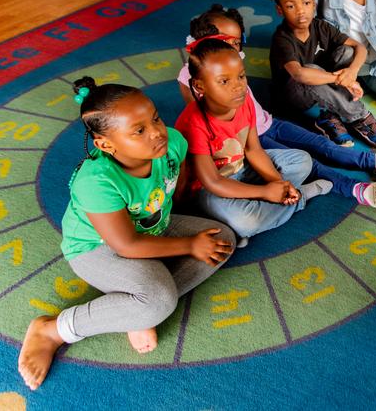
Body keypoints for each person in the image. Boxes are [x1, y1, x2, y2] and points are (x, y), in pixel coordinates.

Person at [18, 77, 236, 390]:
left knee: (221, 240)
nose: (157, 132)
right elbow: (126, 244)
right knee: (158, 300)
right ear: (106, 145)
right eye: (139, 130)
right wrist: (189, 244)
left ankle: (134, 311)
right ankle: (53, 330)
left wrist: (193, 239)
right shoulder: (96, 181)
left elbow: (180, 185)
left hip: (153, 225)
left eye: (156, 118)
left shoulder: (171, 143)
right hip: (97, 247)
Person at [178, 4, 376, 208]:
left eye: (237, 42)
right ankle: (354, 189)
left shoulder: (232, 65)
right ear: (202, 45)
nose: (233, 49)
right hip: (249, 139)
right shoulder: (191, 78)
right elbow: (208, 123)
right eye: (223, 41)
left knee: (320, 143)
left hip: (267, 122)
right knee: (310, 163)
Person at [176, 37, 331, 243]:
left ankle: (264, 206)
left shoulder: (244, 100)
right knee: (246, 221)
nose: (238, 86)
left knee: (302, 160)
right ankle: (298, 198)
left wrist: (279, 183)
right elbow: (213, 182)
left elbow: (253, 150)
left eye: (241, 76)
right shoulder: (193, 122)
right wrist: (265, 191)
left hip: (242, 168)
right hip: (210, 189)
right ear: (199, 86)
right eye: (224, 81)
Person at [270, 0, 376, 148]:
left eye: (306, 3)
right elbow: (299, 74)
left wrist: (351, 73)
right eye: (291, 6)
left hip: (323, 82)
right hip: (294, 96)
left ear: (313, 4)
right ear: (280, 10)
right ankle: (359, 117)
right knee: (310, 69)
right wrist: (341, 80)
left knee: (346, 52)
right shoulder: (281, 39)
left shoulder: (320, 26)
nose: (300, 11)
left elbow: (359, 48)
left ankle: (329, 115)